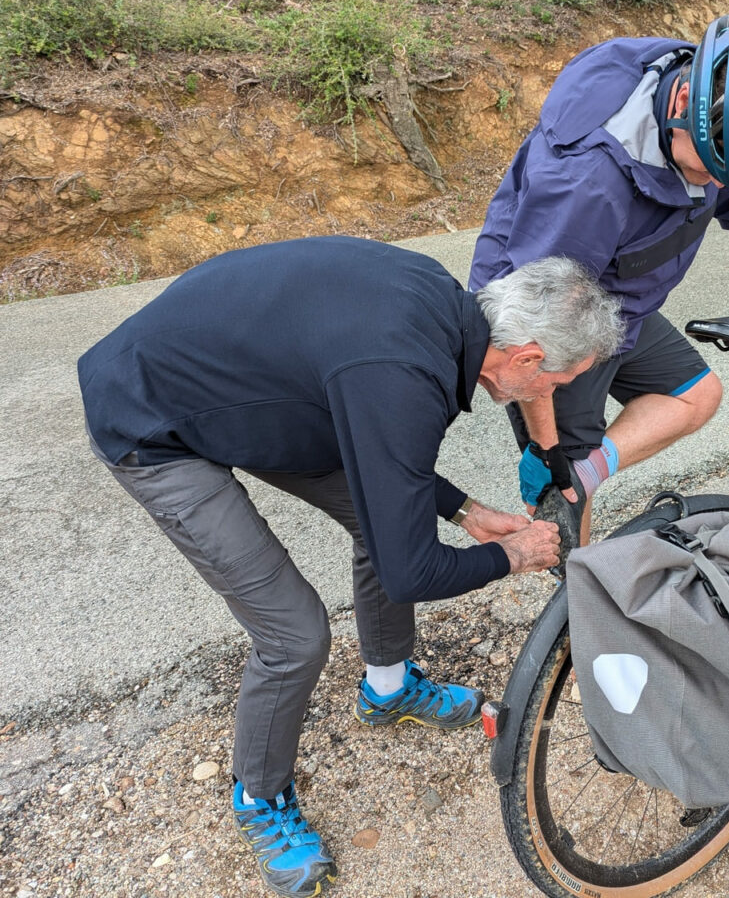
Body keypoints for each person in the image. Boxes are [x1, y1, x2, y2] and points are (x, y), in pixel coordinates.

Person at [77, 237, 623, 898]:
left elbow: (380, 448)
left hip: (248, 395)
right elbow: (410, 572)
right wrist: (513, 553)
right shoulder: (401, 369)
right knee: (294, 633)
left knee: (386, 521)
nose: (554, 395)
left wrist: (463, 510)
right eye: (559, 383)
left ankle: (389, 688)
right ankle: (259, 796)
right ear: (528, 357)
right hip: (151, 419)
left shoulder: (440, 309)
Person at [470, 10, 729, 543]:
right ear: (680, 105)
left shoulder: (718, 105)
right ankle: (575, 608)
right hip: (546, 311)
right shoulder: (587, 184)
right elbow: (533, 335)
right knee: (567, 497)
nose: (716, 184)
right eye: (708, 169)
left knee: (698, 395)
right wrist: (549, 450)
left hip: (621, 299)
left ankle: (585, 473)